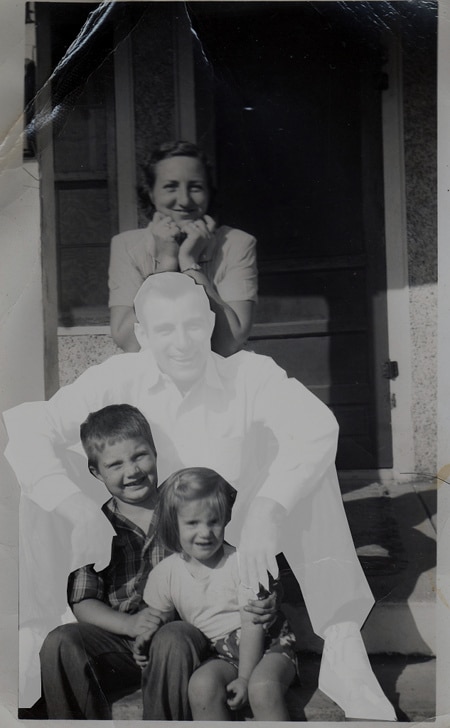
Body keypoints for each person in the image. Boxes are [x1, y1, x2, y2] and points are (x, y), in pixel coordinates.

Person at [3, 272, 396, 720]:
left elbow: (318, 426)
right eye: (165, 329)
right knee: (36, 480)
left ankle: (343, 638)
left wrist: (269, 509)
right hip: (144, 540)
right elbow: (28, 428)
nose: (183, 342)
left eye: (192, 324)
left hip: (228, 537)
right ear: (143, 334)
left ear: (210, 321)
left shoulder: (248, 373)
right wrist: (75, 508)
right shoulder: (117, 376)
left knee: (313, 465)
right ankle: (35, 633)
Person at [39, 405, 273, 719]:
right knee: (59, 643)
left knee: (172, 636)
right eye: (115, 464)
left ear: (155, 452)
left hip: (189, 634)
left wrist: (265, 597)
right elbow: (82, 601)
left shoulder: (188, 503)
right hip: (121, 644)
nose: (132, 471)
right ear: (96, 472)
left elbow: (250, 553)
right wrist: (129, 624)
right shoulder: (93, 525)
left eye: (139, 456)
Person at [134, 467, 297, 721]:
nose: (205, 533)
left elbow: (252, 625)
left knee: (261, 689)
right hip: (221, 653)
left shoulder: (241, 563)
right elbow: (160, 617)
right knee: (201, 686)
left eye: (214, 521)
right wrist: (146, 638)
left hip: (268, 646)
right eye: (192, 523)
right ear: (173, 524)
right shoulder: (165, 573)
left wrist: (244, 678)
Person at [109, 140, 258, 356]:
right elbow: (129, 342)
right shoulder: (126, 246)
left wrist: (189, 262)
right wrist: (166, 265)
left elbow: (229, 343)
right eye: (170, 187)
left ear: (209, 192)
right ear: (151, 193)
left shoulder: (237, 243)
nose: (184, 200)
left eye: (196, 187)